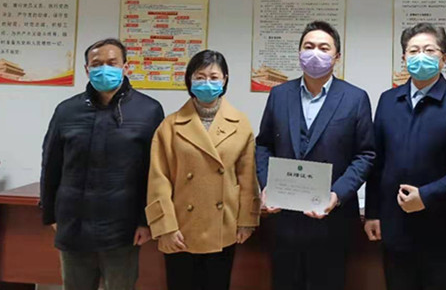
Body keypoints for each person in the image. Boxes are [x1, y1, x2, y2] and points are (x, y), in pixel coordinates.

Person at [365, 22, 446, 290]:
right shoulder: (388, 100)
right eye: (413, 51)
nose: (421, 56)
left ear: (444, 58)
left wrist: (426, 196)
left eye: (429, 50)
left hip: (444, 233)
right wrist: (372, 212)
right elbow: (377, 161)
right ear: (404, 58)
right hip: (396, 230)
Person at [256, 20, 375, 290]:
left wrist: (337, 194)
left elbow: (365, 154)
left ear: (337, 56)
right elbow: (263, 146)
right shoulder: (279, 95)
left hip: (333, 222)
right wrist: (267, 185)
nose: (315, 53)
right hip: (285, 220)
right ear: (299, 52)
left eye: (324, 48)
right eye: (308, 46)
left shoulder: (355, 98)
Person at [40, 38, 164, 290]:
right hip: (73, 223)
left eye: (112, 62)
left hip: (123, 227)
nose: (104, 68)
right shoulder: (67, 110)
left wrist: (146, 221)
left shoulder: (148, 110)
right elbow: (51, 164)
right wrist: (51, 214)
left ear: (125, 67)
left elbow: (155, 172)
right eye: (96, 64)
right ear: (87, 70)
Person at [146, 50, 260, 290]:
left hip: (223, 228)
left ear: (225, 80)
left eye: (214, 77)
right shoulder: (169, 125)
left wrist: (246, 221)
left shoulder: (241, 124)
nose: (207, 82)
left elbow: (247, 178)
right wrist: (165, 227)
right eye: (200, 77)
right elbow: (159, 180)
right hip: (180, 230)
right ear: (189, 80)